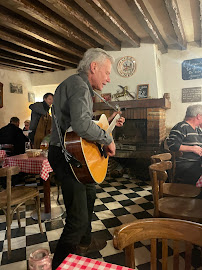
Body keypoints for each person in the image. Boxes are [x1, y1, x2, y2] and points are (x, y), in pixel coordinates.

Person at [48, 48, 125, 269]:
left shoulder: (78, 85)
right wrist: (107, 140)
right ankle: (59, 264)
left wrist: (108, 123)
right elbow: (81, 126)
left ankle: (84, 242)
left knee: (90, 193)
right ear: (94, 67)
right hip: (66, 156)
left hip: (70, 153)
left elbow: (79, 122)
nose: (109, 78)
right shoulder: (79, 85)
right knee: (77, 219)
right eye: (107, 72)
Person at [167, 104, 202, 185]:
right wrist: (192, 148)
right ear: (198, 116)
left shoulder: (198, 130)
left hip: (197, 164)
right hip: (186, 167)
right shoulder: (181, 127)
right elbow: (172, 145)